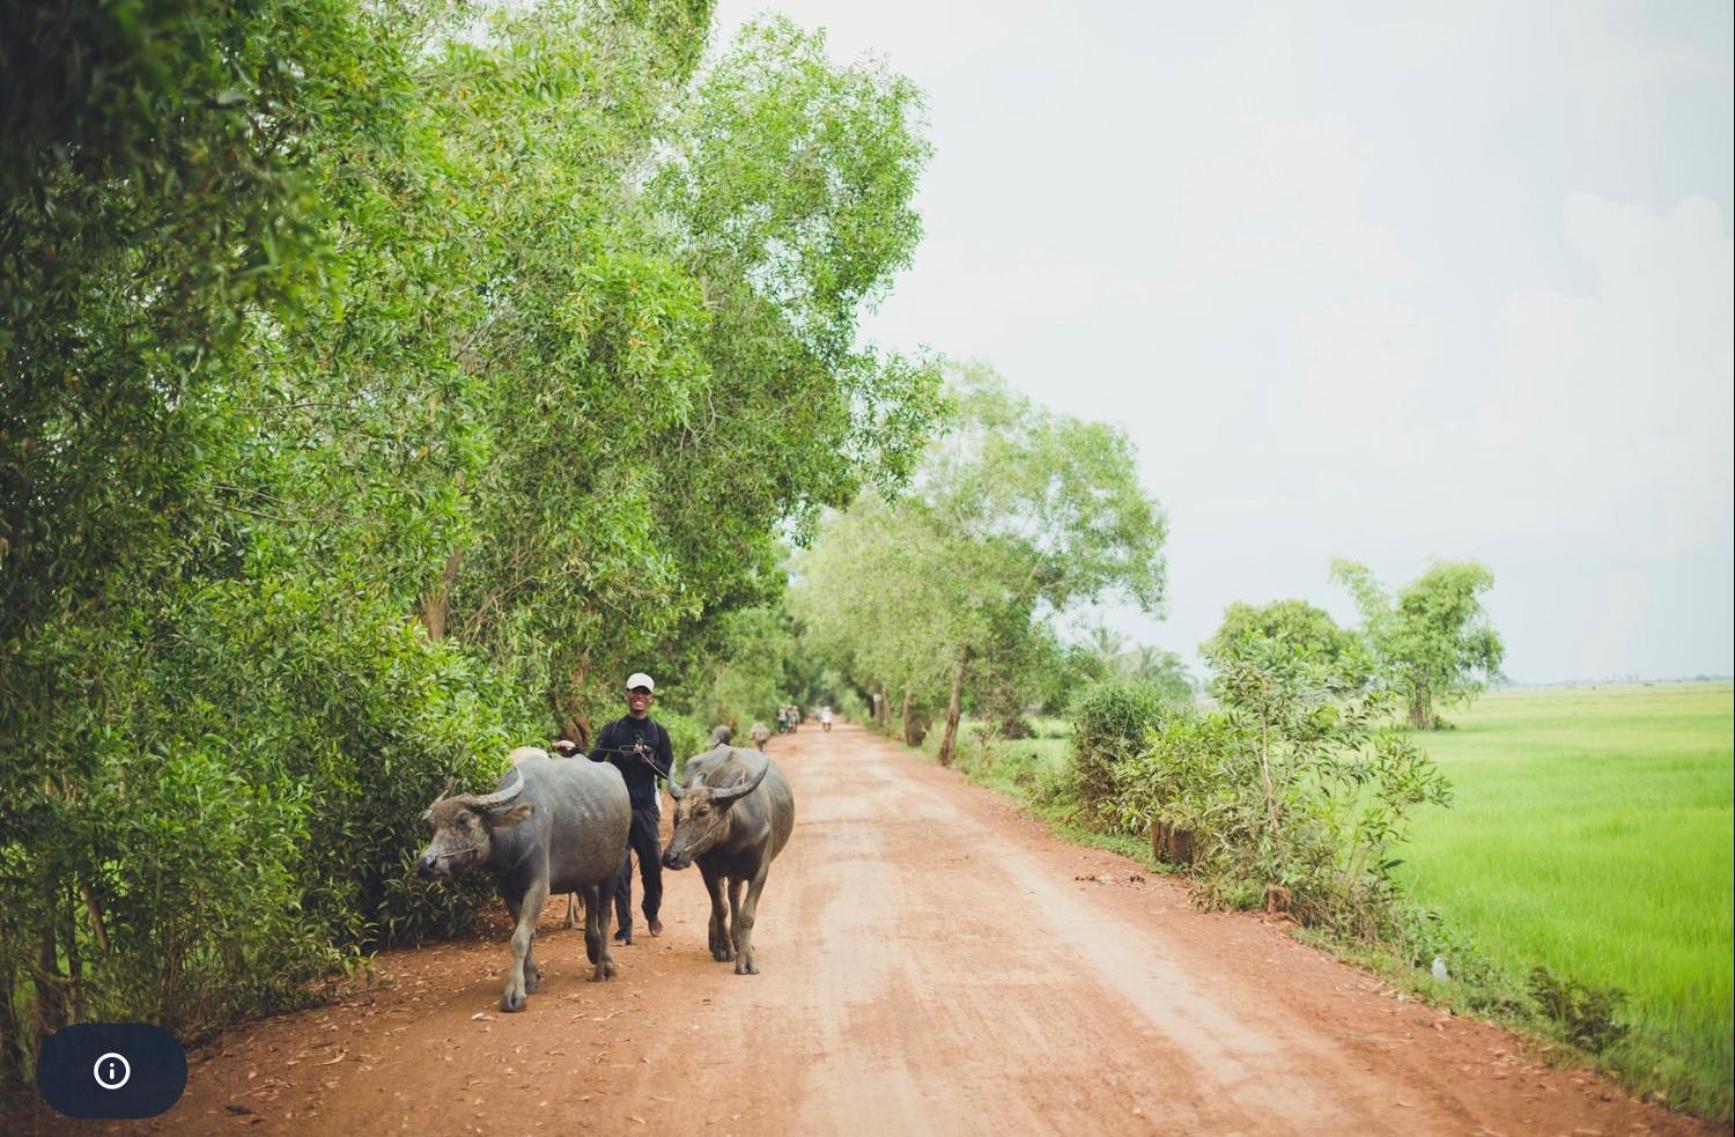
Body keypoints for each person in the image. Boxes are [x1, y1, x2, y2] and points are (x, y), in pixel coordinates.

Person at [555, 672, 671, 945]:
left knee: (653, 868)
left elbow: (666, 771)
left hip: (645, 809)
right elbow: (594, 762)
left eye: (644, 693)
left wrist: (649, 760)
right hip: (616, 811)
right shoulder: (613, 729)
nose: (639, 697)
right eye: (635, 692)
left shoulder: (659, 733)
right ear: (626, 695)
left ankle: (651, 912)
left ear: (650, 698)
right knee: (619, 871)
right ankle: (624, 929)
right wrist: (573, 751)